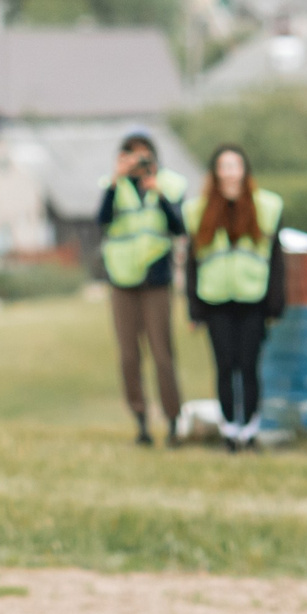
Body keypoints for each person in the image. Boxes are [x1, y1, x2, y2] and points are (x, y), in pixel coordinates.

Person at [184, 144, 287, 454]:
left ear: (245, 170)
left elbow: (276, 260)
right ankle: (230, 431)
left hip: (253, 299)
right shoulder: (198, 210)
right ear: (215, 172)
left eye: (235, 165)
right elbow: (192, 262)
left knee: (249, 366)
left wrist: (275, 303)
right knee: (225, 366)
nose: (230, 172)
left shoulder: (266, 206)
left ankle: (250, 431)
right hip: (215, 300)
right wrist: (193, 308)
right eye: (224, 166)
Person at [97, 130, 190, 446]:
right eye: (131, 156)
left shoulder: (170, 184)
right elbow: (102, 220)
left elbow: (179, 226)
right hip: (122, 279)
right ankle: (140, 421)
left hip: (156, 278)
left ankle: (173, 420)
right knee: (128, 355)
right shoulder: (114, 186)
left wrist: (159, 193)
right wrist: (115, 180)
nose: (138, 162)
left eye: (143, 156)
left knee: (163, 354)